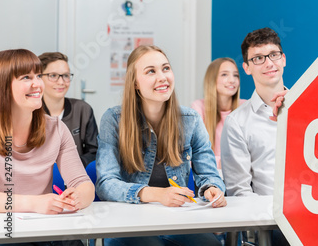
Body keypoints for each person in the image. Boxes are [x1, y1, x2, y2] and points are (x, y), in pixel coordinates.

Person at [96, 45, 226, 246]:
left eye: (166, 68)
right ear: (136, 83)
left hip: (175, 221)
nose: (162, 77)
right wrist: (156, 194)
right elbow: (105, 184)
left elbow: (209, 174)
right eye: (151, 71)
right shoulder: (113, 119)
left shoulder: (190, 120)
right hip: (127, 222)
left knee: (211, 244)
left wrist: (213, 189)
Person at [0, 49, 95, 245]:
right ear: (2, 87)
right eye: (26, 77)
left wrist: (77, 197)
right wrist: (34, 203)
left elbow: (84, 184)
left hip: (44, 228)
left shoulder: (56, 128)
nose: (37, 84)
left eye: (38, 76)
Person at [221, 28, 289, 245]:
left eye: (274, 55)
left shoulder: (309, 108)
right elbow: (240, 191)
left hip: (316, 213)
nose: (269, 63)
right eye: (258, 58)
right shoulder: (237, 123)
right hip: (272, 223)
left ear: (283, 59)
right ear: (247, 68)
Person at [38, 52, 98, 167]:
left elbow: (95, 151)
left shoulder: (83, 109)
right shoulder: (31, 112)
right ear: (39, 77)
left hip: (75, 177)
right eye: (53, 75)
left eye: (65, 75)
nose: (61, 82)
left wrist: (72, 165)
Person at [191, 57, 245, 170]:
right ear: (212, 79)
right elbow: (193, 157)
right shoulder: (198, 108)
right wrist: (225, 163)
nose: (232, 80)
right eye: (224, 74)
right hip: (209, 178)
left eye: (236, 75)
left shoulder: (245, 107)